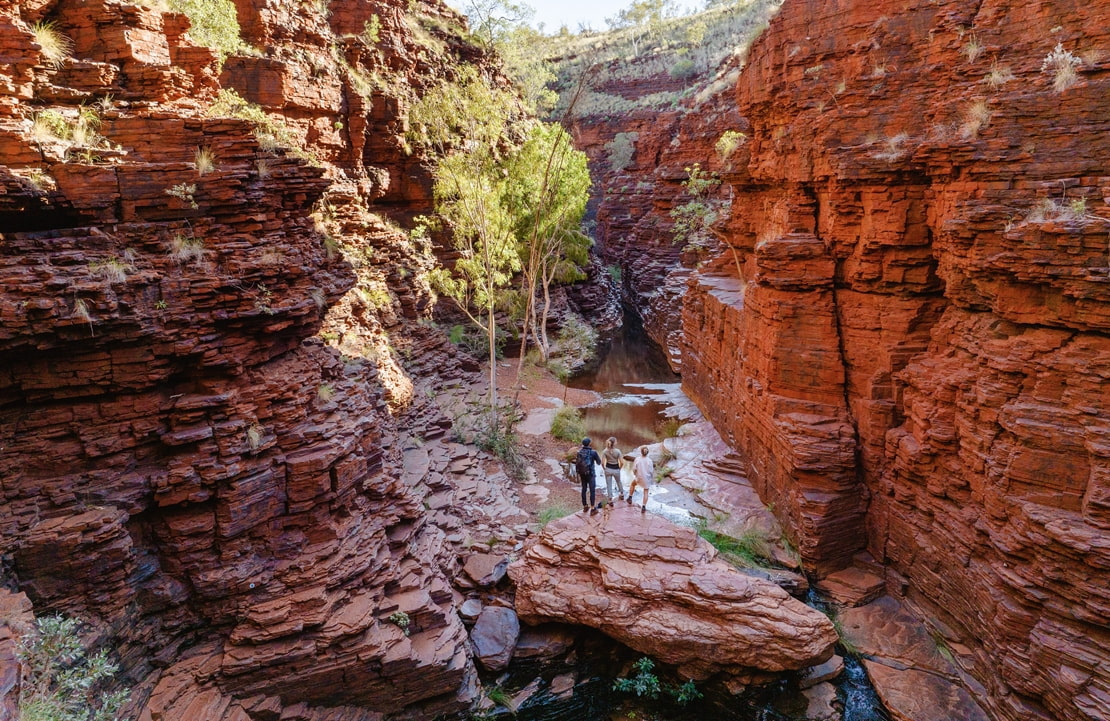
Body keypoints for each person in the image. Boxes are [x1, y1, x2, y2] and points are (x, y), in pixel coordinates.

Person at [575, 437, 603, 514]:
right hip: (590, 473)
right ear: (589, 443)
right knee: (592, 490)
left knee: (584, 489)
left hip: (582, 473)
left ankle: (585, 506)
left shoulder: (579, 452)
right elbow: (599, 462)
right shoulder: (593, 452)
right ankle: (593, 508)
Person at [628, 445, 654, 513]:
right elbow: (651, 471)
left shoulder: (637, 459)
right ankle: (643, 506)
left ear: (641, 452)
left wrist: (635, 474)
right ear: (647, 452)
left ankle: (630, 497)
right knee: (646, 491)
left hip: (639, 477)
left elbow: (634, 469)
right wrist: (651, 478)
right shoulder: (649, 461)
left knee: (632, 484)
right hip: (646, 478)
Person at [601, 437, 625, 502]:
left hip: (608, 469)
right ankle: (622, 494)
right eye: (616, 441)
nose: (617, 442)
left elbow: (602, 463)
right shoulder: (618, 451)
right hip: (616, 469)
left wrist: (604, 469)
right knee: (618, 481)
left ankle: (610, 499)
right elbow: (622, 462)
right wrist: (619, 468)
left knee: (609, 484)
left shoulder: (605, 451)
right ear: (614, 443)